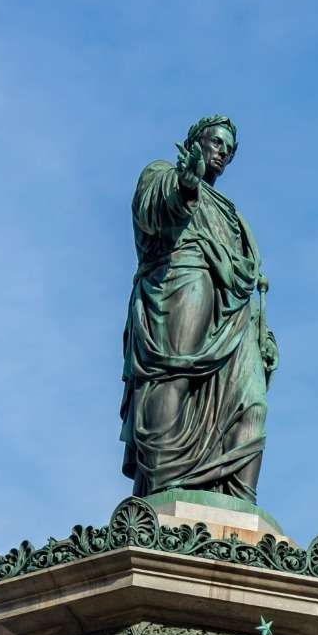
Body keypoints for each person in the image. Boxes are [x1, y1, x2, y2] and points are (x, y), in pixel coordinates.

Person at [120, 115, 279, 501]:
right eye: (216, 142)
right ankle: (163, 488)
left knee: (253, 403)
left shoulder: (231, 211)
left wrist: (262, 332)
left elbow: (246, 277)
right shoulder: (161, 173)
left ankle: (239, 502)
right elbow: (153, 210)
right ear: (195, 141)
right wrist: (183, 186)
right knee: (176, 375)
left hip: (237, 317)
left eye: (229, 148)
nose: (223, 152)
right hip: (182, 284)